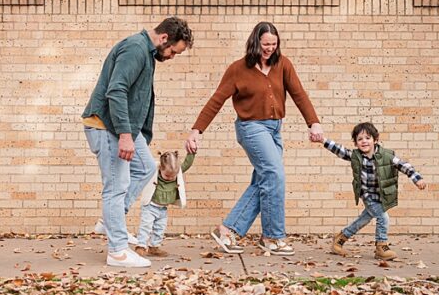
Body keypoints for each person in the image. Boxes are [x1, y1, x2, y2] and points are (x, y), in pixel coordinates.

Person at [187, 22, 323, 256]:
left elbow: (299, 94)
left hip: (274, 129)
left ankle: (227, 230)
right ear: (255, 43)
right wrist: (197, 130)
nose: (270, 49)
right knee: (274, 174)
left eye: (274, 44)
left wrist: (314, 122)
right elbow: (216, 100)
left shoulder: (283, 65)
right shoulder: (238, 69)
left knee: (264, 182)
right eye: (265, 45)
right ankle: (272, 236)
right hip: (251, 128)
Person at [83, 17, 193, 268]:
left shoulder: (145, 52)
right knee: (116, 186)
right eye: (173, 52)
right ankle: (118, 251)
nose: (172, 57)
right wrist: (124, 135)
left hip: (127, 129)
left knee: (145, 167)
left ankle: (110, 221)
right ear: (164, 38)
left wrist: (133, 134)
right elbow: (117, 90)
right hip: (107, 126)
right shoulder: (135, 49)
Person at [323, 123, 426, 260]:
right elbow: (340, 150)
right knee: (383, 218)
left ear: (375, 140)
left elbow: (404, 166)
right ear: (356, 143)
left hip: (381, 195)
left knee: (364, 219)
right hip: (367, 195)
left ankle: (340, 238)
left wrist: (416, 179)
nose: (364, 141)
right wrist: (323, 140)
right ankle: (381, 246)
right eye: (360, 139)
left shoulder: (387, 156)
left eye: (367, 138)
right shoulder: (355, 156)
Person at [134, 150, 193, 258]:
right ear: (161, 168)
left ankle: (154, 247)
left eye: (173, 176)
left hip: (163, 209)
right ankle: (141, 246)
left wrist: (191, 153)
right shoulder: (154, 172)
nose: (170, 178)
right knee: (146, 227)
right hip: (150, 206)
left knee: (160, 229)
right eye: (167, 175)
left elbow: (187, 164)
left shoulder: (177, 171)